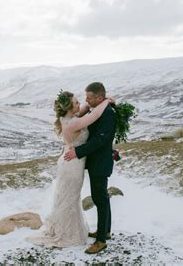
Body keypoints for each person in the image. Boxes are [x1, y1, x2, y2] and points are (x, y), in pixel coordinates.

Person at [25, 89, 113, 248]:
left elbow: (86, 109)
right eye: (77, 102)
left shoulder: (69, 118)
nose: (81, 104)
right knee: (70, 200)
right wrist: (106, 101)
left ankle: (70, 230)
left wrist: (99, 100)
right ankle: (67, 234)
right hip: (72, 165)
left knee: (70, 199)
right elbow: (94, 116)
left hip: (71, 162)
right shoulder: (74, 122)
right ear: (70, 108)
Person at [64, 82, 116, 254]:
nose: (86, 100)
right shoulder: (99, 109)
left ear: (99, 98)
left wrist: (77, 152)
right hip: (97, 162)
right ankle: (105, 231)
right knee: (102, 197)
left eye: (89, 98)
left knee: (99, 199)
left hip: (100, 163)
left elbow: (99, 140)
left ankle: (101, 241)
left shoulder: (108, 113)